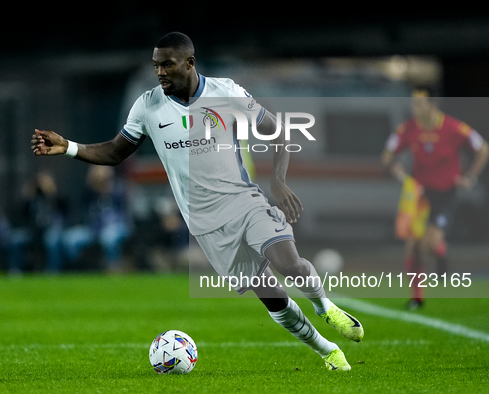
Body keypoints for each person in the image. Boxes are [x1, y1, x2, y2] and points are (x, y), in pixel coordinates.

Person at [31, 32, 363, 371]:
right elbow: (116, 151)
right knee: (273, 298)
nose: (159, 72)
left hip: (245, 203)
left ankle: (326, 309)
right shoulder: (147, 106)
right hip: (206, 224)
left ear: (189, 63)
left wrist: (277, 181)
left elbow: (276, 130)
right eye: (156, 65)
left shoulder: (226, 92)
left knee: (289, 263)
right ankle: (327, 351)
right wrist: (69, 146)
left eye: (167, 65)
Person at [381, 90, 489, 310]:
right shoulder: (408, 129)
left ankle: (440, 250)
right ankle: (417, 298)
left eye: (419, 104)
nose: (414, 108)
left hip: (446, 194)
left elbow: (483, 149)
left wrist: (470, 177)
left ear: (433, 105)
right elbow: (387, 155)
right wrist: (398, 171)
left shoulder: (454, 127)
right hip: (419, 193)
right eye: (413, 104)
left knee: (429, 244)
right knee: (412, 244)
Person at [62, 165, 132, 272]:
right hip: (93, 229)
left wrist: (106, 186)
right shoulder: (90, 193)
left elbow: (123, 208)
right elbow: (82, 201)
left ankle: (113, 268)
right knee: (70, 239)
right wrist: (93, 184)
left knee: (108, 237)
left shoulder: (117, 190)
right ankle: (77, 270)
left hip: (117, 227)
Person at [8, 171, 68, 273]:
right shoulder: (33, 198)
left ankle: (52, 270)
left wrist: (51, 194)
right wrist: (28, 197)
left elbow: (65, 210)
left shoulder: (57, 197)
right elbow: (21, 214)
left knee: (52, 241)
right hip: (33, 230)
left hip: (51, 229)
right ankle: (16, 270)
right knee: (15, 239)